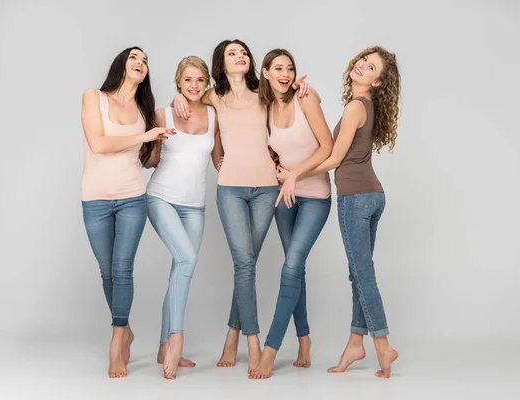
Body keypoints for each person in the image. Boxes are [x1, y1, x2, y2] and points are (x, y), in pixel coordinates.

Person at [172, 39, 309, 373]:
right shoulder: (213, 96)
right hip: (230, 189)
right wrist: (177, 95)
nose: (241, 56)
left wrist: (303, 86)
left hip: (266, 189)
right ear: (222, 61)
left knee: (247, 262)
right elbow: (189, 93)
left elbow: (289, 90)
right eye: (233, 53)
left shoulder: (264, 91)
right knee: (244, 263)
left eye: (244, 52)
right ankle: (252, 338)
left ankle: (232, 334)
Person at [278, 45, 401, 378]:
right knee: (358, 273)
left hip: (356, 198)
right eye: (363, 60)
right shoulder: (366, 105)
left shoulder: (354, 108)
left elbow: (332, 159)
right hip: (372, 195)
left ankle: (382, 343)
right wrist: (311, 93)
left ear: (377, 82)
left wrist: (293, 174)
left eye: (371, 67)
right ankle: (354, 343)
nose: (362, 66)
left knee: (363, 274)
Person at [80, 46, 173, 378]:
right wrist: (146, 134)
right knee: (106, 271)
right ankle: (127, 328)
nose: (141, 63)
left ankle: (117, 340)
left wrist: (160, 139)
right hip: (95, 198)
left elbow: (147, 161)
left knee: (122, 269)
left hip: (133, 196)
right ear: (121, 63)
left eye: (146, 60)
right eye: (135, 57)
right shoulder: (95, 97)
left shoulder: (143, 110)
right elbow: (99, 144)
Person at [249, 49, 333, 379]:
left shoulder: (305, 99)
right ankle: (304, 340)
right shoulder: (266, 107)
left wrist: (295, 174)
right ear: (266, 73)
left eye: (290, 68)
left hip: (315, 196)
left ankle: (270, 350)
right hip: (285, 197)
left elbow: (327, 147)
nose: (285, 73)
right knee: (294, 270)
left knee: (291, 266)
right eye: (278, 68)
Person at [142, 56, 222, 379]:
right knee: (187, 259)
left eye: (200, 80)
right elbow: (149, 161)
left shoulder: (214, 116)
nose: (193, 85)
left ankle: (163, 344)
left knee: (181, 266)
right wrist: (154, 139)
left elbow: (220, 161)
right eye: (187, 80)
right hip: (161, 198)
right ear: (179, 82)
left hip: (195, 205)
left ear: (206, 84)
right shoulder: (163, 112)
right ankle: (176, 339)